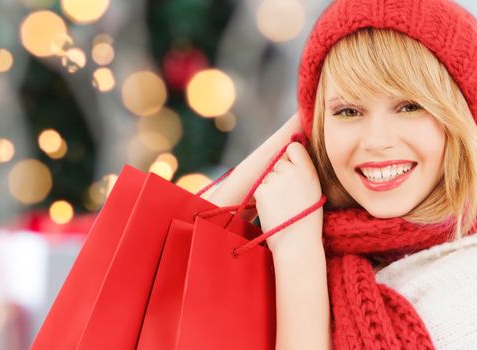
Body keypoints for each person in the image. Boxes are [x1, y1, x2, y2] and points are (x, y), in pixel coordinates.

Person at [203, 0, 477, 348]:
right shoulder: (312, 232)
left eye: (410, 107)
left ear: (464, 116)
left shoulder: (464, 288)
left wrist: (297, 252)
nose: (377, 141)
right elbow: (159, 259)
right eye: (348, 111)